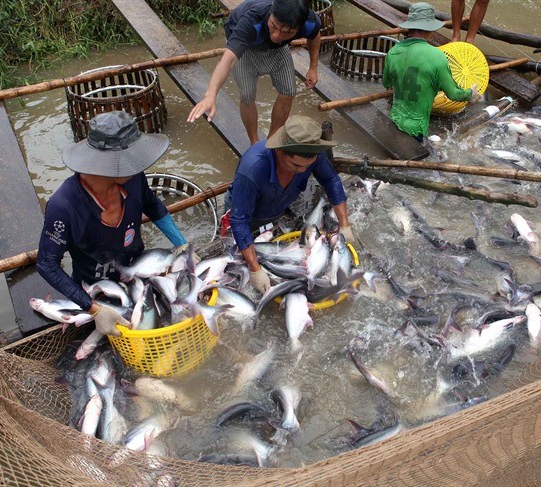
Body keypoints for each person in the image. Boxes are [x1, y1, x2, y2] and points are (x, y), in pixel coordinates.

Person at [36, 111, 189, 337]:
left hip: (139, 272)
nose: (136, 164)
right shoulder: (64, 205)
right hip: (94, 288)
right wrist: (93, 309)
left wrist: (183, 245)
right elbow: (47, 264)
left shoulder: (134, 178)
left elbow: (152, 204)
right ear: (107, 162)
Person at [221, 115, 355, 294]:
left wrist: (344, 225)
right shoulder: (253, 168)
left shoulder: (314, 155)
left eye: (308, 166)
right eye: (296, 165)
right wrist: (255, 270)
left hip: (278, 206)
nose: (303, 170)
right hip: (244, 213)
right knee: (232, 254)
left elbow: (331, 180)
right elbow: (239, 220)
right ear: (279, 151)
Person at [187, 0, 322, 145]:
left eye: (287, 32)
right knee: (247, 95)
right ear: (271, 13)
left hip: (277, 49)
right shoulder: (251, 21)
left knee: (288, 91)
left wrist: (313, 68)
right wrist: (211, 94)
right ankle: (254, 142)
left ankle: (272, 141)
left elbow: (314, 35)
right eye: (273, 25)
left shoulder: (309, 21)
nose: (276, 35)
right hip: (246, 47)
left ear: (299, 27)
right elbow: (228, 60)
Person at [382, 2, 481, 140]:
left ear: (410, 27)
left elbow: (386, 82)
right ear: (430, 30)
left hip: (395, 119)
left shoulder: (393, 52)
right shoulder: (437, 57)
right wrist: (470, 94)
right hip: (416, 128)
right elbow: (453, 94)